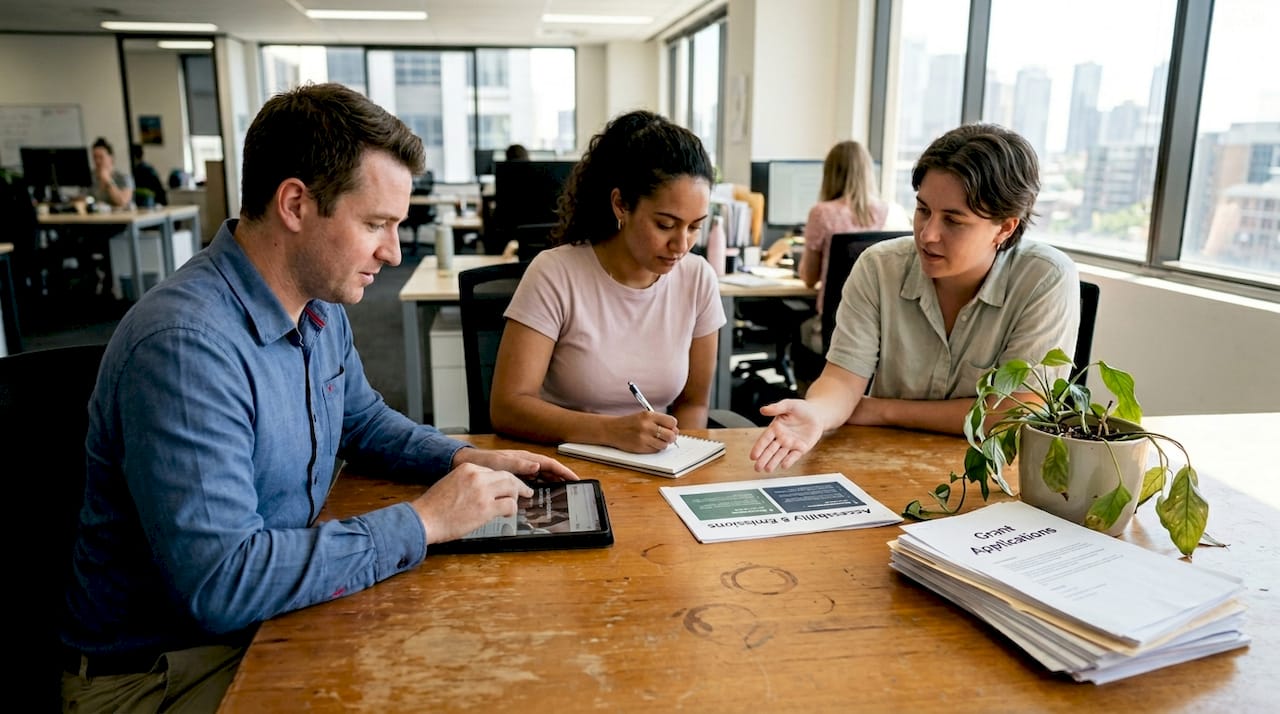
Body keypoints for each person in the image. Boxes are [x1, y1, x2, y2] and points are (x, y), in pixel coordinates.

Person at [60, 82, 578, 712]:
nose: (391, 252)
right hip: (163, 672)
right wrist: (425, 521)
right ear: (296, 204)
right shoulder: (184, 345)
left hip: (261, 621)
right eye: (376, 224)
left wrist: (460, 459)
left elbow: (359, 419)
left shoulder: (317, 305)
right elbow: (223, 580)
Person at [750, 123, 1080, 472]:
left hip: (994, 478)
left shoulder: (1046, 277)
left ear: (1004, 227)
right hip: (887, 465)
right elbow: (842, 380)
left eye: (954, 220)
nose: (928, 234)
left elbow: (1012, 414)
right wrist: (817, 412)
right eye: (923, 210)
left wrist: (880, 409)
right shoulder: (879, 267)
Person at [489, 110, 724, 454]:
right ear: (621, 205)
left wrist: (680, 460)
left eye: (694, 226)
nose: (682, 244)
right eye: (665, 225)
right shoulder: (555, 273)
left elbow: (694, 404)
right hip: (563, 464)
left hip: (655, 470)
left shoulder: (698, 278)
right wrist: (610, 431)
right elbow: (507, 407)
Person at [89, 137, 134, 209]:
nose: (97, 161)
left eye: (101, 157)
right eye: (95, 157)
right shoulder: (91, 177)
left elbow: (122, 201)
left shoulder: (124, 178)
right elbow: (82, 199)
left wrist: (107, 180)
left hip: (121, 218)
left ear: (111, 158)